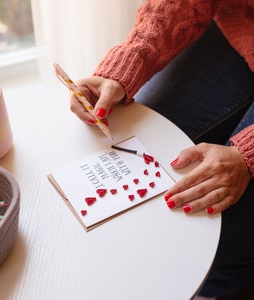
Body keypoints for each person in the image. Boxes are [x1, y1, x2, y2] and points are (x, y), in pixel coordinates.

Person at [68, 0, 254, 298]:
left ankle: (210, 288)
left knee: (220, 231)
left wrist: (247, 155)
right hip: (243, 22)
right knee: (140, 135)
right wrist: (128, 62)